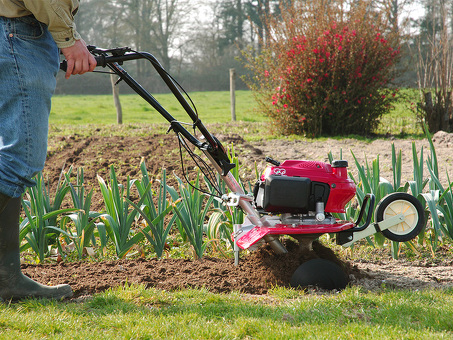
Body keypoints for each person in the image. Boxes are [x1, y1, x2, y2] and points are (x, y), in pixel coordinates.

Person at [0, 0, 96, 301]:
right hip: (18, 32)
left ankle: (6, 278)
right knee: (20, 158)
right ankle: (6, 280)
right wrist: (68, 38)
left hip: (16, 30)